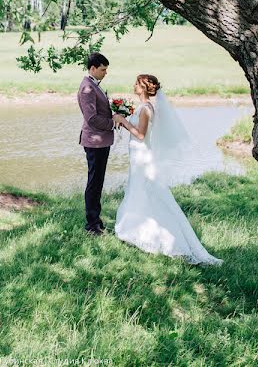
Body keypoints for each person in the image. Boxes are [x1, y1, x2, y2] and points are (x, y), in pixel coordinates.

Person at [113, 74, 222, 264]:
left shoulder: (146, 109)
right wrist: (124, 120)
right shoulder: (142, 107)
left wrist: (123, 120)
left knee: (147, 192)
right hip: (137, 155)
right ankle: (136, 228)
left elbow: (140, 135)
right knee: (138, 190)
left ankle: (159, 235)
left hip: (142, 156)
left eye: (137, 84)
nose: (134, 86)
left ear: (145, 88)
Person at [76, 52, 126, 235]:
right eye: (103, 69)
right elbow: (92, 119)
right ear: (93, 68)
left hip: (100, 141)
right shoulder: (87, 88)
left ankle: (96, 221)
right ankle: (92, 225)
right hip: (94, 142)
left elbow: (100, 112)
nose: (106, 73)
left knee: (97, 182)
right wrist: (113, 122)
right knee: (94, 183)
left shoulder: (93, 85)